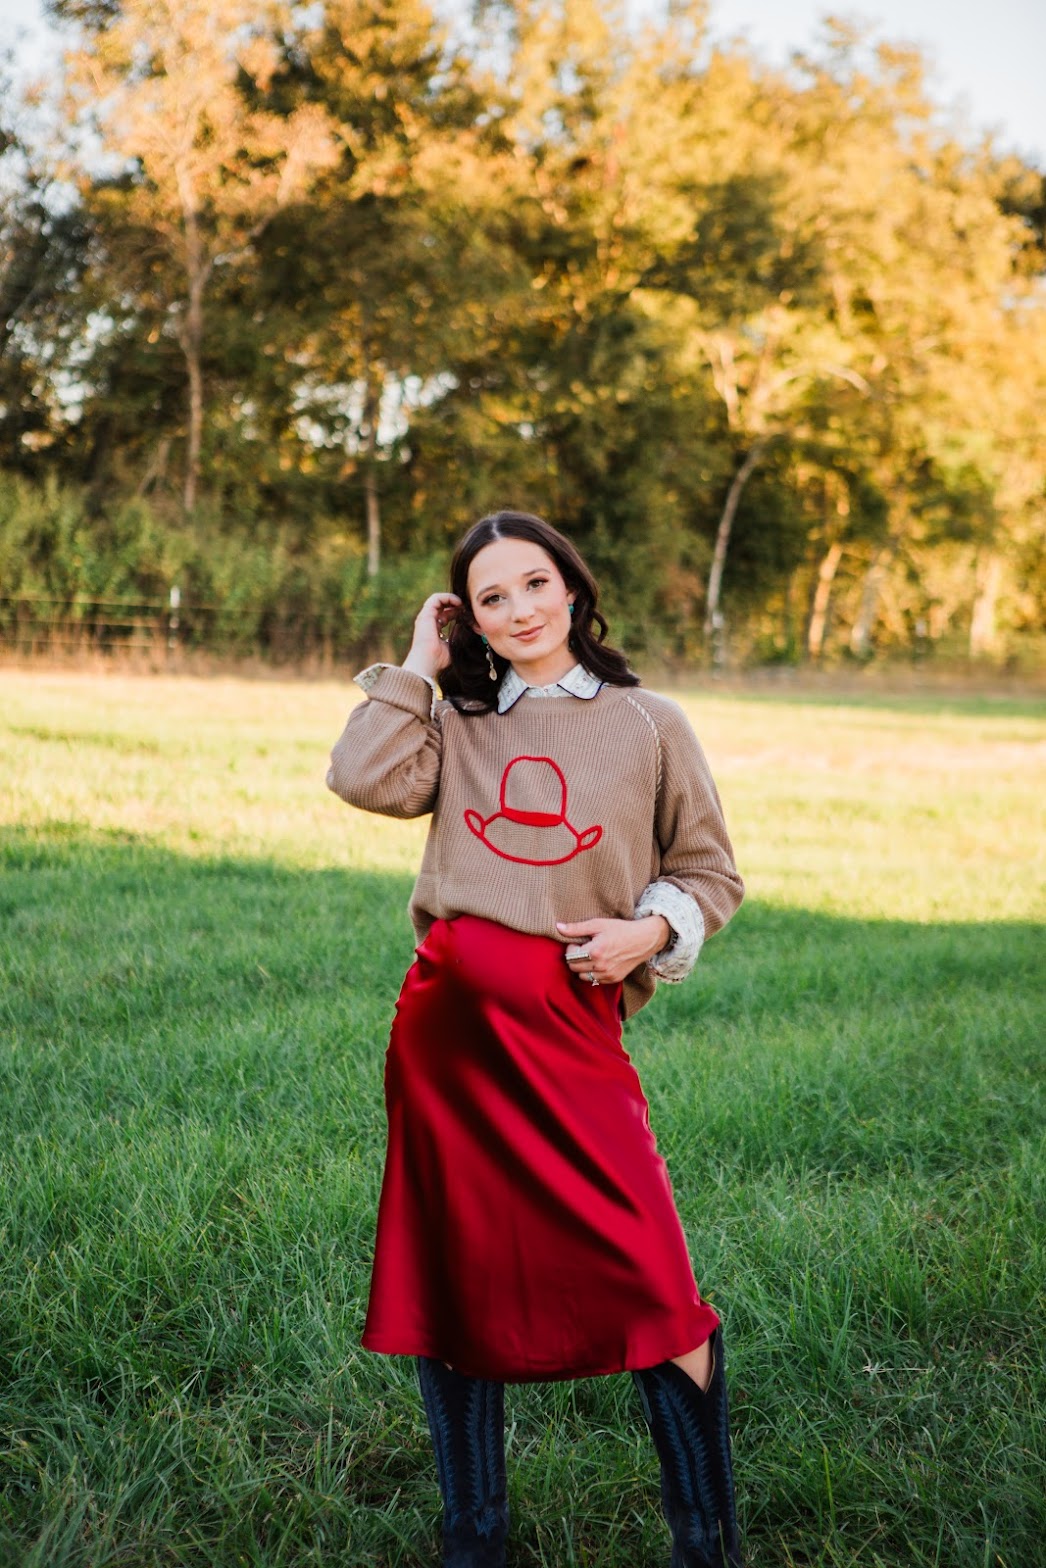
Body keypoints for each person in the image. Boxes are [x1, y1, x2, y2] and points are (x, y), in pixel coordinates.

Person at [326, 510, 746, 1568]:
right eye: (488, 598)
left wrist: (646, 928)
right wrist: (418, 665)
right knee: (454, 1270)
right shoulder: (454, 719)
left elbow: (709, 871)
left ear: (572, 586)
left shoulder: (648, 721)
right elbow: (362, 778)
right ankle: (474, 1533)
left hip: (570, 1034)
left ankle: (704, 1539)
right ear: (465, 614)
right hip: (449, 1042)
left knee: (656, 1279)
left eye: (532, 584)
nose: (516, 610)